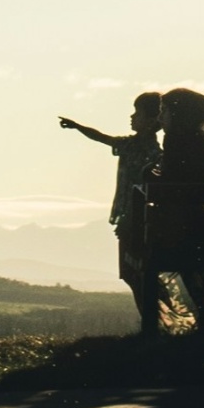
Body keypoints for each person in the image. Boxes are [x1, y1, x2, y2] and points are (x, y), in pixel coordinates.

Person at [59, 93, 162, 323]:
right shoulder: (147, 149)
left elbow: (102, 138)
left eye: (138, 113)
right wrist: (78, 127)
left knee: (132, 271)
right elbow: (102, 137)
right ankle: (154, 319)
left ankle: (152, 320)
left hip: (132, 220)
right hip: (137, 219)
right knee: (136, 272)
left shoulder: (139, 149)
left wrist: (77, 127)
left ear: (152, 119)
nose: (132, 117)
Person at [152, 87, 204, 327]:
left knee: (183, 258)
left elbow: (165, 189)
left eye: (164, 111)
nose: (160, 116)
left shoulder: (172, 149)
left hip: (174, 235)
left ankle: (188, 320)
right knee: (201, 262)